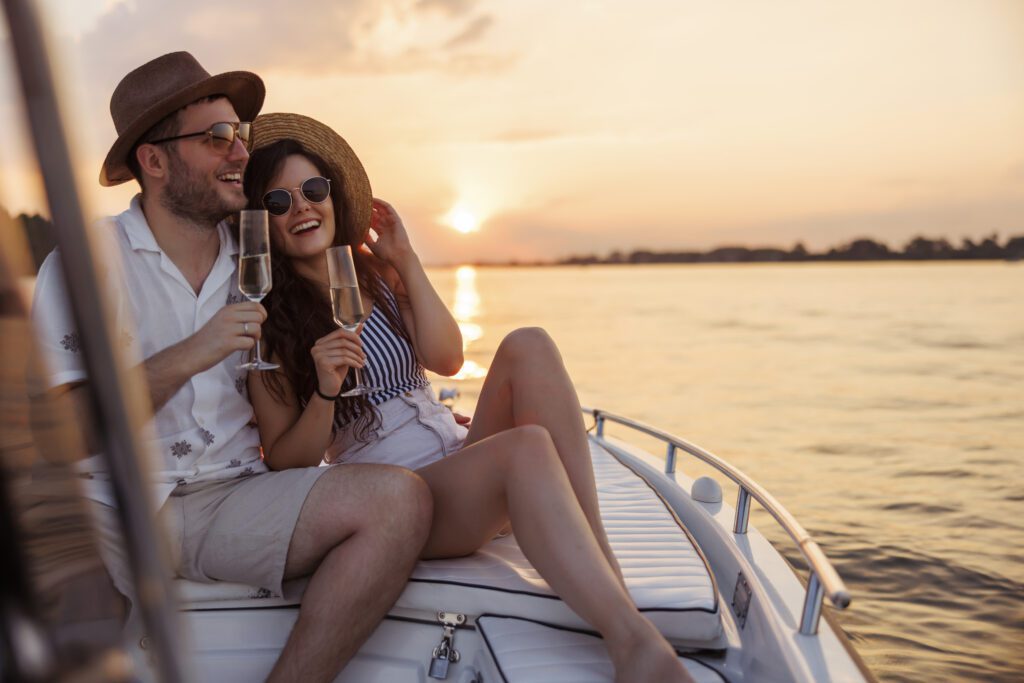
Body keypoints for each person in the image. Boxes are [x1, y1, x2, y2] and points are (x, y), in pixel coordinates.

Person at [242, 112, 694, 683]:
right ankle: (634, 646)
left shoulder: (374, 278)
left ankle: (611, 586)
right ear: (264, 224)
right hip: (405, 498)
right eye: (279, 202)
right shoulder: (269, 324)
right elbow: (287, 460)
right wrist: (325, 389)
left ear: (333, 197)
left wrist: (405, 261)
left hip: (458, 459)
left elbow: (448, 358)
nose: (302, 207)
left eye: (312, 190)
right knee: (527, 447)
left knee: (529, 344)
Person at [31, 52, 432, 682]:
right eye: (217, 138)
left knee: (398, 502)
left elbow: (345, 318)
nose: (241, 151)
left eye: (239, 134)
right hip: (112, 510)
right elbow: (62, 436)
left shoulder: (258, 254)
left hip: (234, 497)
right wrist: (192, 353)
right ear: (154, 161)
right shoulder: (88, 263)